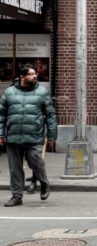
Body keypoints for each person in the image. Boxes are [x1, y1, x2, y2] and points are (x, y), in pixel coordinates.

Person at [0, 64, 57, 206]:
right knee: (15, 168)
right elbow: (1, 114)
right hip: (13, 135)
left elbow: (50, 115)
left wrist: (52, 135)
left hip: (35, 135)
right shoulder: (9, 92)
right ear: (22, 77)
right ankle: (17, 196)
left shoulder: (42, 92)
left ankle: (44, 183)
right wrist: (1, 133)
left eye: (35, 73)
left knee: (35, 161)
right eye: (31, 74)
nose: (35, 76)